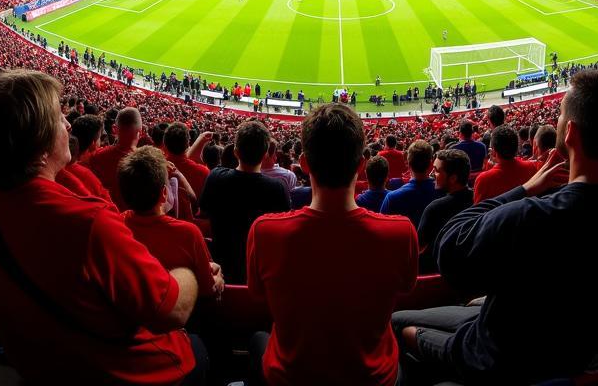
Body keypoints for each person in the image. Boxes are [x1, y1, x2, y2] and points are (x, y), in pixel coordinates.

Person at [393, 71, 598, 385]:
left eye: (563, 113)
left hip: (496, 357)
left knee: (395, 323)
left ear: (571, 133)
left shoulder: (530, 217)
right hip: (579, 347)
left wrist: (524, 189)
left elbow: (450, 250)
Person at [0, 70, 205, 385]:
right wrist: (190, 272)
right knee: (200, 352)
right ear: (39, 147)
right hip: (119, 369)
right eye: (58, 118)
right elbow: (172, 312)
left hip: (35, 361)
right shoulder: (87, 223)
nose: (68, 125)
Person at [248, 104, 418, 386]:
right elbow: (406, 287)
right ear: (362, 164)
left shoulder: (265, 231)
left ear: (303, 163)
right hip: (374, 378)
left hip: (290, 377)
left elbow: (257, 294)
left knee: (257, 340)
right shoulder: (401, 232)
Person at [119, 146, 223, 301]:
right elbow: (208, 290)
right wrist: (218, 279)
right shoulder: (188, 233)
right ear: (164, 193)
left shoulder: (115, 224)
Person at [198, 119, 289, 283]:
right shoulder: (277, 189)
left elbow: (203, 212)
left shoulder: (216, 177)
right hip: (259, 276)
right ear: (265, 154)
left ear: (235, 152)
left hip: (221, 272)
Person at [417, 149, 473, 273]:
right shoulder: (478, 199)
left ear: (453, 178)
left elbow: (418, 248)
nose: (431, 174)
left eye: (436, 170)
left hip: (436, 275)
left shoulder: (434, 209)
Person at [88, 106, 142, 210]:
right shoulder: (148, 165)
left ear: (114, 129)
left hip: (104, 217)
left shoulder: (96, 156)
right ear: (141, 131)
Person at [473, 124, 537, 203]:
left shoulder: (483, 179)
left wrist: (490, 170)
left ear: (493, 151)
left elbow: (478, 212)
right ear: (516, 149)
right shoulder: (532, 168)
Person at [381, 140, 437, 227]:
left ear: (408, 164)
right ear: (431, 164)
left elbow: (383, 227)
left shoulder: (392, 198)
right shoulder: (444, 193)